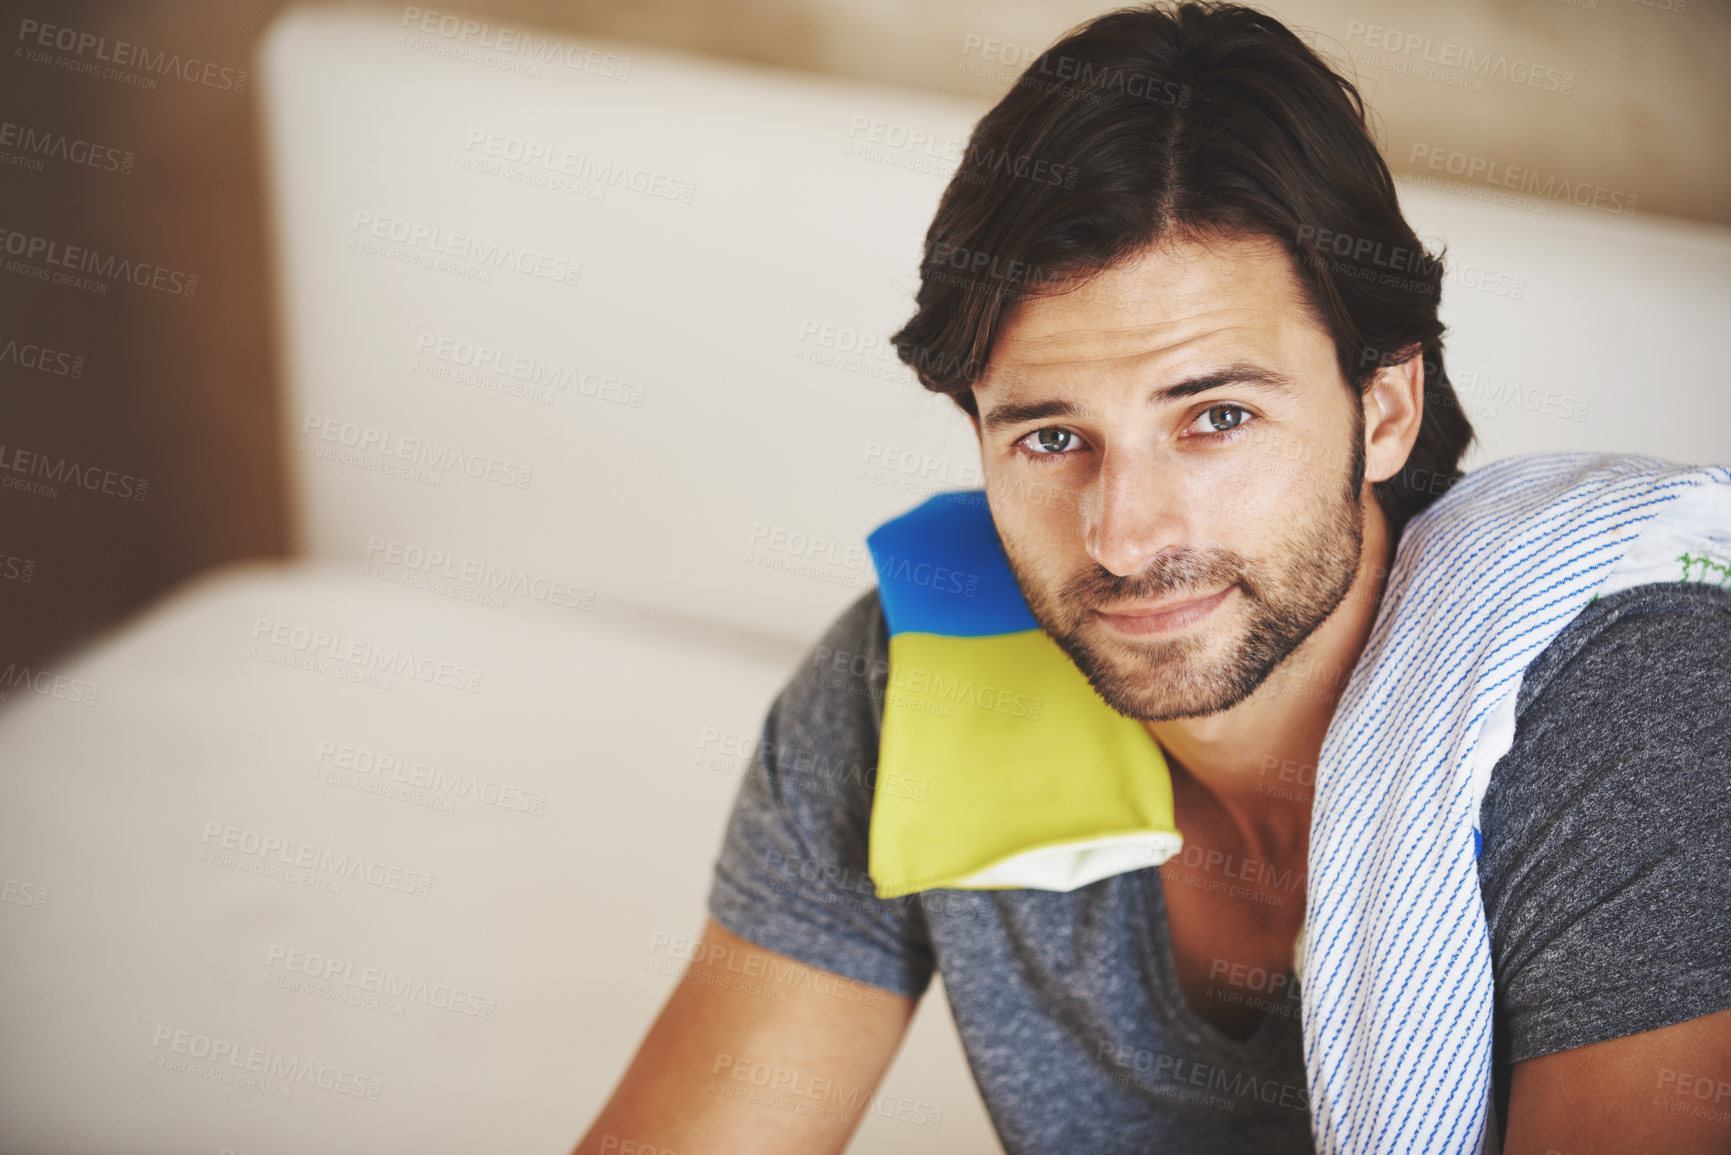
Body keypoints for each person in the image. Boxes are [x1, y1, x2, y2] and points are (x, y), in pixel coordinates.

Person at [572, 3, 1731, 1152]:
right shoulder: (920, 679)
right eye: (1049, 438)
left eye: (1216, 417)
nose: (1122, 540)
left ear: (1383, 407)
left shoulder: (1628, 709)